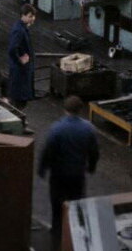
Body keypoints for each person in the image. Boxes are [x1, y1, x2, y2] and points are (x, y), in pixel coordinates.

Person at [37, 95, 100, 238]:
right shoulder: (88, 129)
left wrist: (42, 169)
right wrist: (91, 167)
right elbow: (94, 152)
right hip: (77, 173)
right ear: (80, 109)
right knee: (76, 203)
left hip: (58, 174)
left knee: (57, 202)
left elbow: (48, 150)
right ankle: (75, 233)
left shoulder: (57, 129)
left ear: (65, 109)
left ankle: (57, 230)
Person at [7, 4, 37, 109]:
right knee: (19, 101)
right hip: (20, 72)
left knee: (20, 100)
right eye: (30, 16)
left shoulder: (22, 28)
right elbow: (12, 49)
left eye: (33, 16)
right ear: (23, 15)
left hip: (22, 70)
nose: (33, 18)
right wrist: (19, 60)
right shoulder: (19, 30)